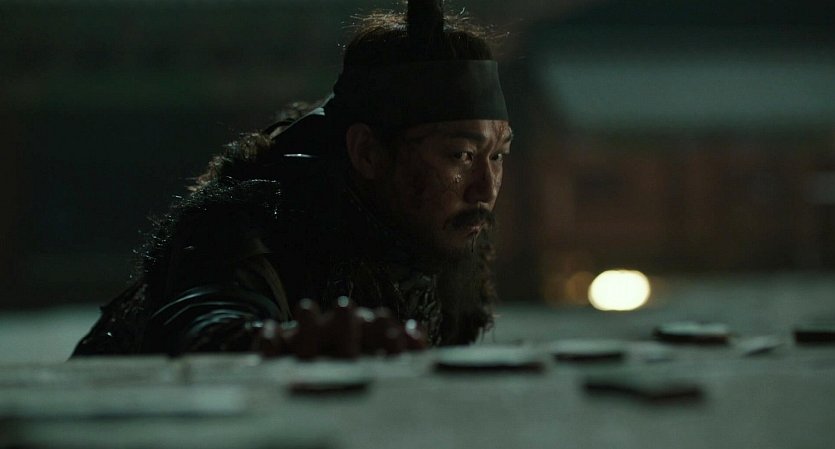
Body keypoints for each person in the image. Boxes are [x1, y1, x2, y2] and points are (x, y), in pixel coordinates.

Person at [73, 0, 512, 358]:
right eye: (460, 155)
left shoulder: (440, 239)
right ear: (368, 153)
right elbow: (205, 326)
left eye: (497, 156)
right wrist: (283, 343)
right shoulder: (256, 223)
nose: (486, 188)